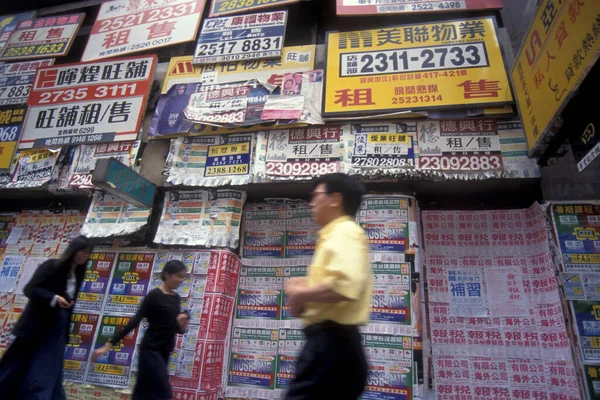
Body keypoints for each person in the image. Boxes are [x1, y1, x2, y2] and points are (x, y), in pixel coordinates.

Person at [284, 173, 371, 400]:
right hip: (332, 346)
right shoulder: (335, 235)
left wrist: (300, 292)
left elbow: (344, 286)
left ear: (335, 199)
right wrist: (301, 292)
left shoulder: (344, 232)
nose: (311, 203)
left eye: (316, 196)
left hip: (331, 348)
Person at [0, 235, 94, 400]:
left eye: (88, 254)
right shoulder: (52, 266)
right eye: (82, 252)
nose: (84, 256)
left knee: (49, 366)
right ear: (73, 250)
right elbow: (30, 289)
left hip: (58, 326)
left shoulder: (79, 273)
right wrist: (54, 298)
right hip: (37, 323)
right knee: (17, 365)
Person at [94, 260, 190, 400]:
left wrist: (182, 323)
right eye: (178, 276)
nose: (181, 280)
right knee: (164, 392)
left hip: (165, 351)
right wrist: (108, 346)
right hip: (151, 350)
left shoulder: (176, 298)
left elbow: (173, 328)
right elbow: (134, 322)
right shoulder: (154, 296)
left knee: (144, 392)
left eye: (183, 277)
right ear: (167, 274)